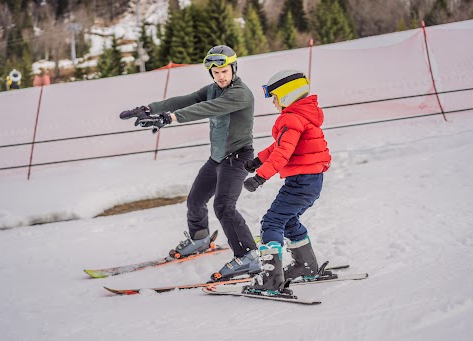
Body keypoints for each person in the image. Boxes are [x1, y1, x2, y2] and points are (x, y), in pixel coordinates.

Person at [119, 45, 259, 281]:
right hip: (217, 158)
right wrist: (150, 108)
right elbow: (187, 100)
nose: (221, 76)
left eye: (224, 71)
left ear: (233, 69)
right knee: (195, 200)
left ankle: (248, 255)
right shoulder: (213, 89)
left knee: (224, 206)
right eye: (216, 73)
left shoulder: (240, 93)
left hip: (237, 158)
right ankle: (200, 238)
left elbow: (206, 108)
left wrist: (170, 118)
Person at [242, 69, 331, 294]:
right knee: (289, 221)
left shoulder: (291, 118)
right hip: (312, 181)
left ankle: (271, 280)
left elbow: (283, 153)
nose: (273, 103)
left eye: (274, 97)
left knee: (271, 223)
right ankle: (306, 266)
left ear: (286, 95)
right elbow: (280, 146)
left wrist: (260, 177)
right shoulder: (303, 116)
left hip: (300, 182)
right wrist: (257, 160)